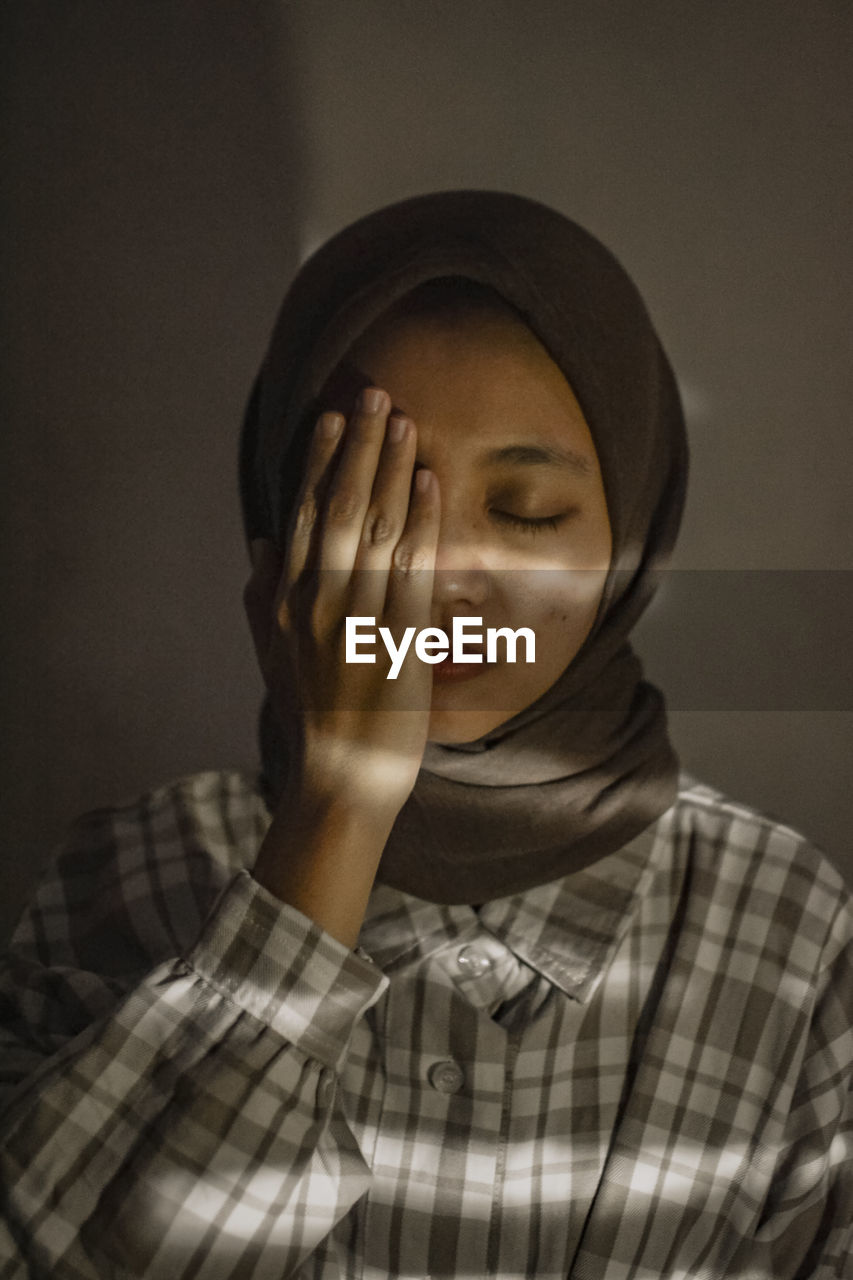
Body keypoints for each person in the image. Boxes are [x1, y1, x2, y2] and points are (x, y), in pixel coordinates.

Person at [0, 191, 850, 1278]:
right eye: (372, 506)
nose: (439, 576)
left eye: (526, 511)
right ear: (277, 523)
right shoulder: (127, 877)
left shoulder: (790, 933)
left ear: (632, 540)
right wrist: (337, 808)